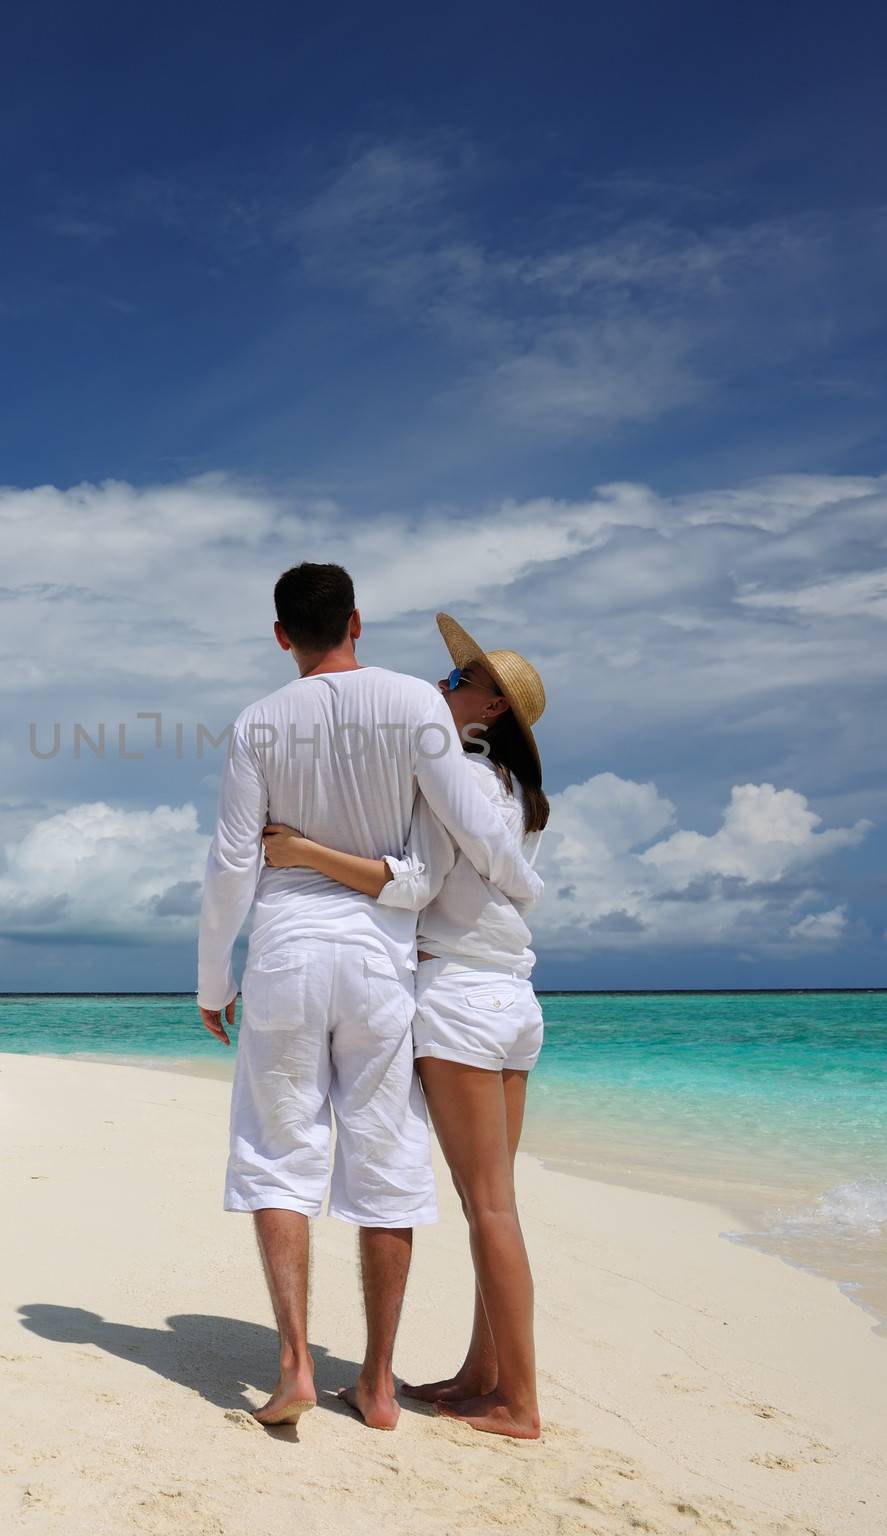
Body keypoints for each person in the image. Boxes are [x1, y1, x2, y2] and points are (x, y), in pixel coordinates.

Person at [197, 569, 544, 1432]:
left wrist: (213, 979)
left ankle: (295, 1369)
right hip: (382, 961)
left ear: (282, 636)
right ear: (357, 621)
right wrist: (522, 884)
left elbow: (232, 863)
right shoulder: (413, 705)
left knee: (281, 1154)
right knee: (385, 1163)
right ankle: (381, 1386)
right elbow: (473, 825)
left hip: (284, 951)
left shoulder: (257, 722)